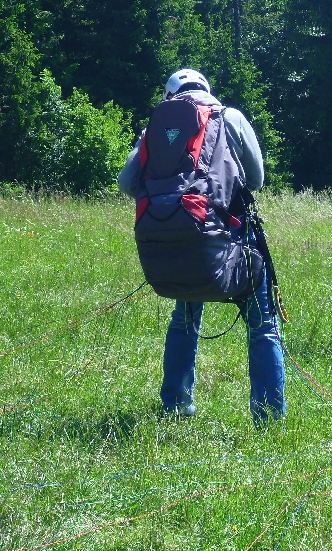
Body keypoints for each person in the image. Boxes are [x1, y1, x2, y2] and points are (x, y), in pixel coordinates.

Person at [118, 69, 285, 424]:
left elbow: (127, 182)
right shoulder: (231, 117)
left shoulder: (154, 129)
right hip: (227, 243)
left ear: (169, 96)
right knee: (263, 325)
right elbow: (256, 180)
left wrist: (171, 206)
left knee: (185, 319)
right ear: (207, 90)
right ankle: (269, 419)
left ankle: (176, 404)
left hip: (178, 242)